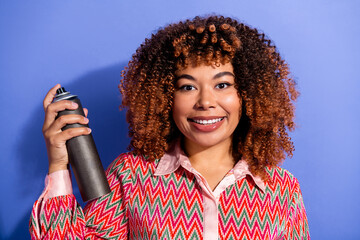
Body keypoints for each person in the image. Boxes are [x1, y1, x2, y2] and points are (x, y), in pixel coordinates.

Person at [30, 15, 310, 239]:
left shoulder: (282, 189)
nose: (205, 102)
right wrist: (58, 164)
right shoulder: (131, 176)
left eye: (222, 84)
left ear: (247, 93)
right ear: (166, 97)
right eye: (187, 87)